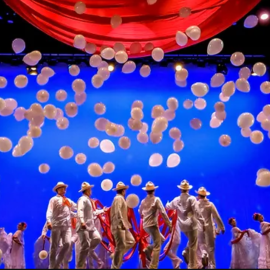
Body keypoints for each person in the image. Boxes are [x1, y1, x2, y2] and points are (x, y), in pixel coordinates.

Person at [166, 180, 205, 269]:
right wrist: (202, 221)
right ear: (188, 190)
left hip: (183, 226)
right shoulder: (191, 199)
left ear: (180, 189)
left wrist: (167, 203)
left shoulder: (176, 199)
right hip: (192, 225)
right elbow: (197, 211)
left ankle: (191, 259)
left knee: (192, 243)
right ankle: (192, 266)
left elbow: (169, 206)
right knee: (193, 246)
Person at [139, 181, 172, 269]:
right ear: (154, 190)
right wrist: (169, 224)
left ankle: (148, 249)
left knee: (162, 239)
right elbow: (163, 213)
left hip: (145, 226)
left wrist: (145, 215)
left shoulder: (143, 201)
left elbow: (140, 212)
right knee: (157, 246)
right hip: (152, 225)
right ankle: (153, 266)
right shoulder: (156, 199)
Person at [46, 181, 77, 269]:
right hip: (57, 225)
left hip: (67, 226)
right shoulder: (54, 199)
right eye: (61, 188)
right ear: (57, 189)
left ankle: (57, 263)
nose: (63, 189)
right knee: (54, 247)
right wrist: (49, 221)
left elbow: (77, 207)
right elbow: (49, 210)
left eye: (64, 188)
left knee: (67, 244)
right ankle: (52, 266)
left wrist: (89, 207)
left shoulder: (68, 200)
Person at [76, 182, 104, 269]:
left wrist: (102, 210)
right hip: (83, 226)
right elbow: (80, 210)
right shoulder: (82, 199)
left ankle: (89, 250)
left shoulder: (88, 200)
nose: (91, 190)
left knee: (97, 238)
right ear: (87, 190)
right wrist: (82, 221)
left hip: (90, 226)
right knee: (84, 246)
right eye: (89, 189)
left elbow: (92, 213)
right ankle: (79, 267)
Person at [195, 187, 225, 269]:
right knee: (211, 249)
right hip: (209, 230)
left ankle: (203, 257)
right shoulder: (210, 205)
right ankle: (212, 266)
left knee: (201, 247)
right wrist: (221, 228)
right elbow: (217, 217)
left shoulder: (196, 205)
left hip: (199, 229)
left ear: (198, 195)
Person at [110, 181, 135, 269]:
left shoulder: (120, 198)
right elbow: (117, 211)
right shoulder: (118, 199)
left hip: (122, 225)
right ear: (123, 191)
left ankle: (115, 255)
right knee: (120, 246)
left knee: (131, 241)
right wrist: (121, 222)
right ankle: (115, 266)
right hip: (118, 226)